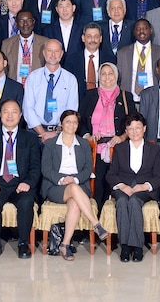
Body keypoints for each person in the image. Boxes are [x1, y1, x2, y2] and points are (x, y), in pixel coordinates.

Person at [0, 99, 41, 259]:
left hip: (20, 184)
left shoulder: (31, 139)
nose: (10, 115)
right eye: (6, 111)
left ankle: (23, 243)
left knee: (26, 202)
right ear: (0, 115)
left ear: (20, 115)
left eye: (14, 112)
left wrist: (28, 183)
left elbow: (36, 167)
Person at [41, 110, 109, 261]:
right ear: (61, 124)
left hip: (79, 184)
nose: (71, 125)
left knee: (75, 203)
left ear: (78, 125)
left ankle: (64, 245)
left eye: (74, 122)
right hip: (55, 186)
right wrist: (61, 179)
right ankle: (96, 224)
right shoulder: (51, 144)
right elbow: (46, 169)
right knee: (72, 189)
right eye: (68, 121)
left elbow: (87, 168)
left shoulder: (84, 143)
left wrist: (75, 179)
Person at [107, 111, 160, 263]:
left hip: (144, 189)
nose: (134, 132)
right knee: (121, 202)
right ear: (126, 131)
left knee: (133, 202)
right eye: (130, 129)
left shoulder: (154, 150)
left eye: (138, 128)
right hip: (123, 187)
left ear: (144, 128)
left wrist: (144, 186)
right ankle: (125, 247)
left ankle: (137, 247)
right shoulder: (120, 148)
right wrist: (122, 186)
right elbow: (111, 174)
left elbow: (159, 176)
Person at [79, 62, 135, 207]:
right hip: (95, 149)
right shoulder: (90, 95)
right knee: (98, 188)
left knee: (116, 187)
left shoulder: (125, 96)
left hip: (118, 149)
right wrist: (88, 137)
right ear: (99, 77)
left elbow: (133, 123)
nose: (107, 77)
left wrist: (122, 137)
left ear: (116, 76)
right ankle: (96, 223)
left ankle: (114, 224)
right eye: (103, 73)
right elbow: (80, 120)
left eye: (111, 73)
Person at [23, 39, 79, 142]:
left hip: (60, 133)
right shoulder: (33, 77)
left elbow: (71, 110)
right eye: (49, 51)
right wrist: (42, 133)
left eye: (56, 51)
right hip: (35, 132)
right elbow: (28, 108)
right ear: (44, 53)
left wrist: (56, 132)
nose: (53, 54)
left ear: (62, 54)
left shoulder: (70, 79)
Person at [64, 22, 116, 100]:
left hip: (103, 102)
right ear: (83, 38)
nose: (93, 40)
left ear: (101, 39)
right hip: (78, 102)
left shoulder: (110, 59)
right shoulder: (72, 59)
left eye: (96, 36)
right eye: (89, 36)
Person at [116, 18, 160, 103]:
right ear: (134, 32)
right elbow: (118, 78)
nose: (142, 31)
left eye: (145, 28)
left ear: (151, 30)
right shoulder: (122, 53)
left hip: (153, 100)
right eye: (138, 29)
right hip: (129, 100)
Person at [1, 10, 49, 86]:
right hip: (14, 89)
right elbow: (3, 70)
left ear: (33, 22)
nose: (25, 24)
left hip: (38, 87)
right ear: (16, 23)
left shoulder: (45, 42)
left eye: (29, 20)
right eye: (21, 21)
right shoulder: (6, 44)